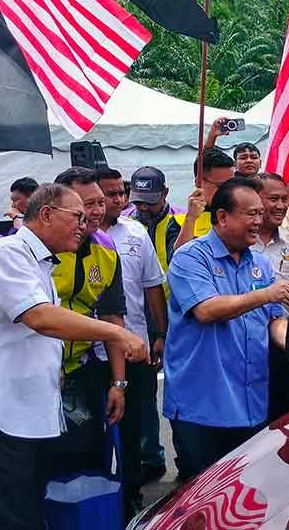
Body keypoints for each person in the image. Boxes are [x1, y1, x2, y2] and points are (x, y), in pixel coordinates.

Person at [0, 184, 148, 530]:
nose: (84, 226)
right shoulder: (6, 253)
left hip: (26, 414)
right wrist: (117, 333)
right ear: (45, 214)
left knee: (29, 511)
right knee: (11, 519)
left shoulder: (40, 263)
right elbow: (39, 317)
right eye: (77, 217)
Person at [164, 178, 289, 480]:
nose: (258, 221)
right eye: (250, 214)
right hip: (202, 404)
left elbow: (273, 320)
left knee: (245, 486)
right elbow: (207, 310)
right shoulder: (190, 257)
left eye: (260, 213)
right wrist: (266, 294)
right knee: (200, 491)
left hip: (250, 400)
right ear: (222, 216)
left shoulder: (259, 263)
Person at [49, 168, 129, 480]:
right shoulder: (32, 249)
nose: (96, 211)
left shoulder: (106, 248)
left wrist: (118, 383)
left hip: (82, 370)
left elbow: (112, 315)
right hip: (34, 371)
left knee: (88, 458)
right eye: (86, 205)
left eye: (99, 202)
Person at [96, 168, 167, 516]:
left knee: (133, 424)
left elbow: (152, 287)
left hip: (133, 346)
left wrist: (160, 334)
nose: (118, 200)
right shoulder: (76, 236)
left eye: (120, 193)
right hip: (89, 353)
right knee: (94, 430)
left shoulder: (136, 232)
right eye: (108, 194)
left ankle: (132, 493)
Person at [125, 165, 180, 481]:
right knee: (144, 394)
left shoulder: (182, 220)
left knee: (179, 391)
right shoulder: (126, 224)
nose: (142, 208)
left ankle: (186, 455)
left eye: (150, 201)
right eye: (138, 201)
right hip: (142, 318)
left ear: (165, 194)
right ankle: (150, 458)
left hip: (183, 317)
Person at [251, 173, 289, 421]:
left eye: (284, 199)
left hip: (282, 342)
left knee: (280, 411)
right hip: (246, 342)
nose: (280, 206)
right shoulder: (238, 242)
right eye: (273, 199)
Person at [176, 148, 236, 245]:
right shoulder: (179, 222)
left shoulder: (241, 214)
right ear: (198, 182)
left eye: (232, 184)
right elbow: (179, 254)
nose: (227, 191)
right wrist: (190, 219)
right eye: (220, 186)